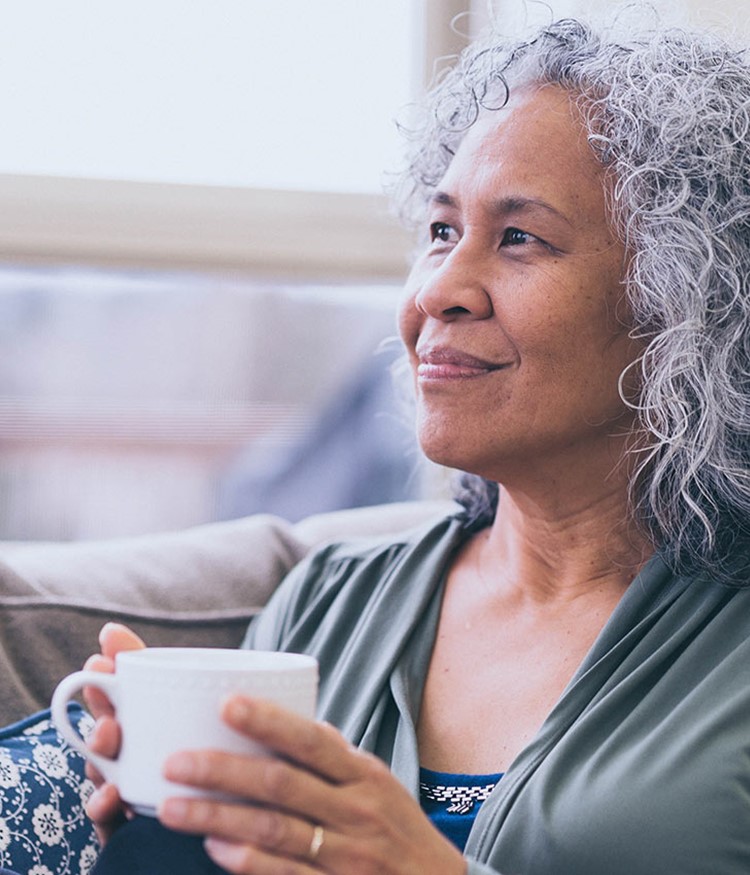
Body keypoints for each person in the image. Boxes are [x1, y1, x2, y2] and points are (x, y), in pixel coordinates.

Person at [18, 9, 750, 874]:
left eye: (520, 238)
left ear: (688, 306)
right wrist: (161, 836)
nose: (440, 289)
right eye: (441, 231)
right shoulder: (326, 602)